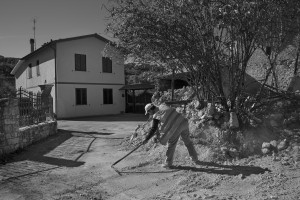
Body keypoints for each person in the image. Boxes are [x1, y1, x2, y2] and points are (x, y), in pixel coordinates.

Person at [143, 103, 200, 168]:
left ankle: (168, 163)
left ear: (151, 110)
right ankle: (194, 158)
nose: (149, 114)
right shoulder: (163, 106)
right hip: (184, 122)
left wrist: (146, 139)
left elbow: (153, 129)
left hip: (176, 127)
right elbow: (166, 118)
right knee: (187, 141)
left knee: (171, 144)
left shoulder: (156, 115)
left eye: (149, 112)